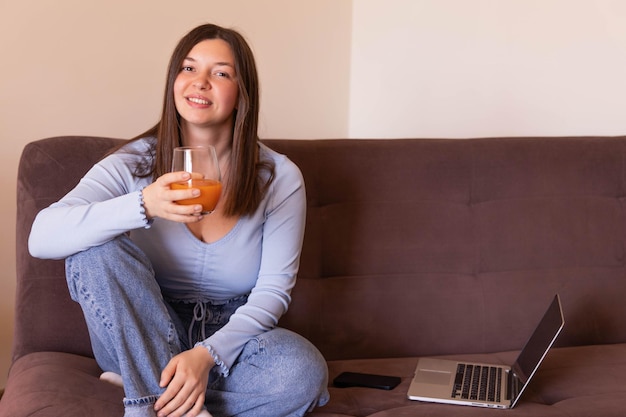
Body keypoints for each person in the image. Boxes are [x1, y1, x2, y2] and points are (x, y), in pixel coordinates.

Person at [28, 23, 329, 417]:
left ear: (242, 95)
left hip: (230, 336)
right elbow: (42, 237)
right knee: (94, 252)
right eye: (188, 69)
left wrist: (207, 355)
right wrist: (143, 204)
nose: (200, 82)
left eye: (221, 73)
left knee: (303, 373)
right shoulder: (134, 163)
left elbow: (273, 292)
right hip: (142, 327)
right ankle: (154, 398)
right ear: (173, 82)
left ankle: (145, 388)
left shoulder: (278, 176)